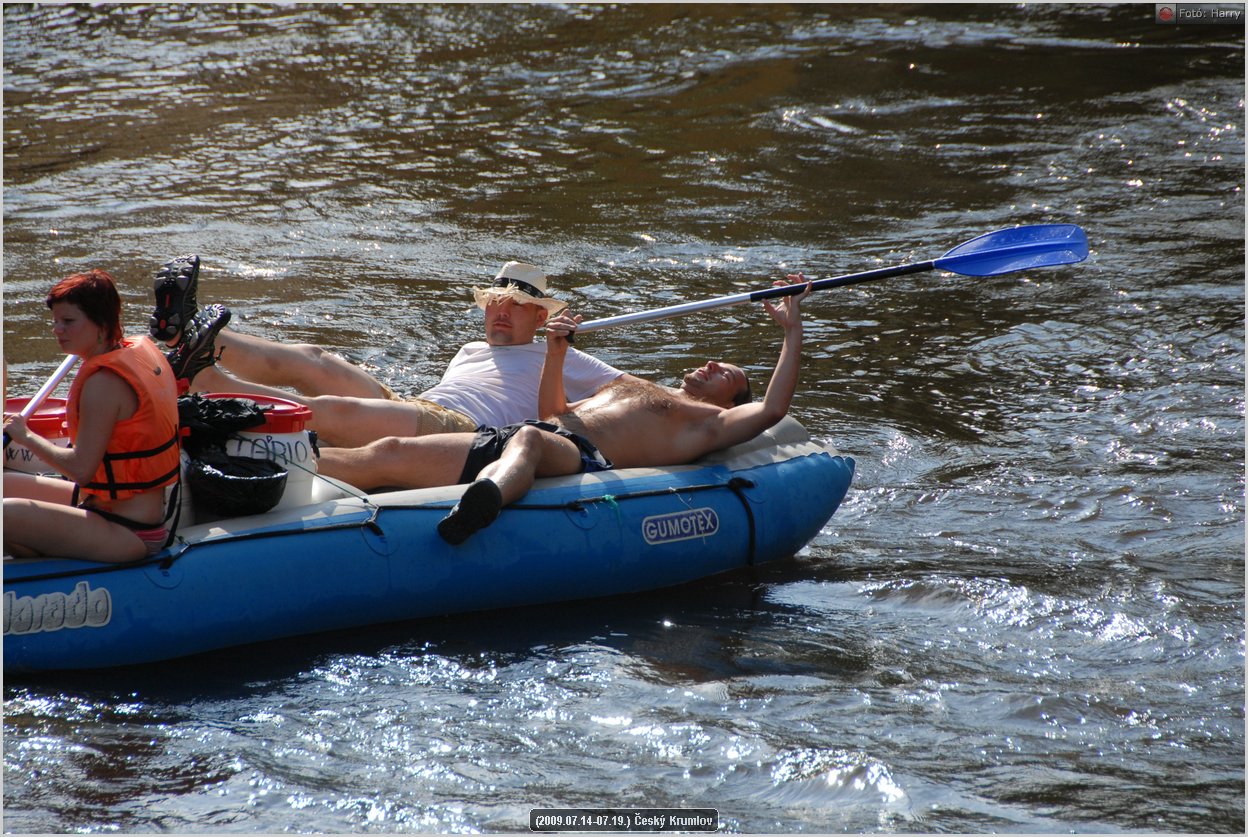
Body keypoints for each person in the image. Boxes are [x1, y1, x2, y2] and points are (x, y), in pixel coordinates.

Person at [314, 277, 812, 545]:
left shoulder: (707, 424)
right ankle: (277, 465)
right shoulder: (637, 384)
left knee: (529, 442)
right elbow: (556, 409)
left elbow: (772, 409)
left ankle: (484, 502)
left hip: (579, 455)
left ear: (730, 400)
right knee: (389, 450)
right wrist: (555, 352)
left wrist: (792, 331)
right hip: (531, 433)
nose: (709, 364)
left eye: (725, 372)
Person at [151, 257, 635, 447]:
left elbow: (634, 397)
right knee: (316, 359)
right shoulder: (469, 350)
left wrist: (560, 349)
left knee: (333, 411)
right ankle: (190, 336)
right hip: (414, 406)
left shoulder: (561, 354)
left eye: (517, 306)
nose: (501, 313)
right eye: (494, 304)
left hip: (459, 431)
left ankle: (211, 387)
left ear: (539, 318)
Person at [3, 269, 182, 562]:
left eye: (69, 321)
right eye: (56, 321)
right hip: (100, 507)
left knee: (4, 516)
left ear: (101, 324)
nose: (57, 329)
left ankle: (36, 570)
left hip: (129, 531)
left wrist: (25, 435)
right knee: (3, 484)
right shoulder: (131, 353)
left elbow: (81, 470)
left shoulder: (104, 383)